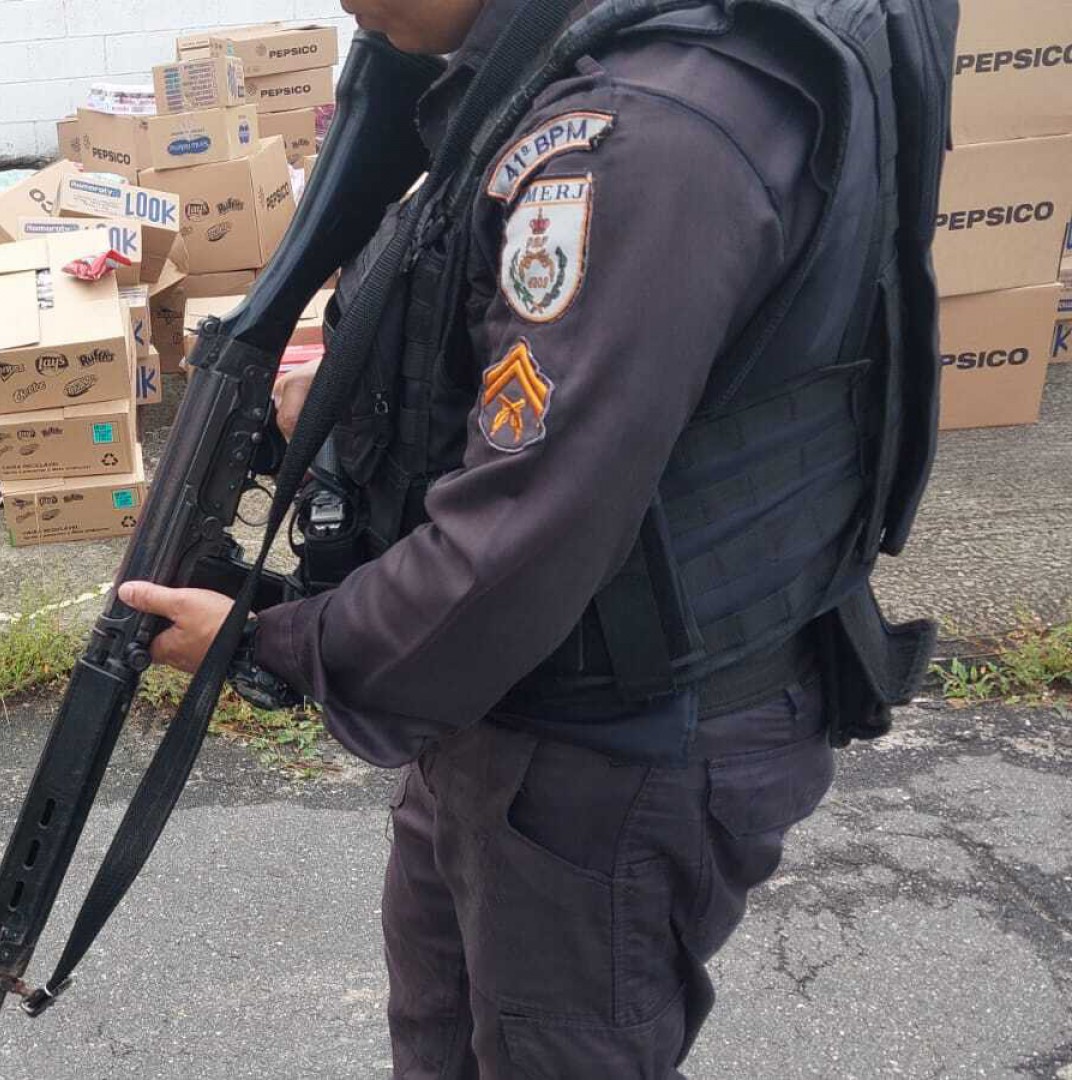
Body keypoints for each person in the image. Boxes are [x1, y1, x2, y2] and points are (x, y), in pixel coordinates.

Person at [117, 0, 951, 1074]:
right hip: (524, 696)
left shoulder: (640, 131)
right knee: (445, 1043)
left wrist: (267, 642)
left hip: (604, 751)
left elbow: (520, 540)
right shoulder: (578, 59)